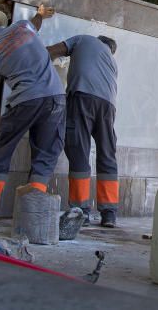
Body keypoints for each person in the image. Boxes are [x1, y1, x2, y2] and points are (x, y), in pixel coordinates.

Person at [0, 4, 65, 223]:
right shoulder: (23, 27)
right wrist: (40, 14)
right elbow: (35, 23)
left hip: (25, 100)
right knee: (45, 154)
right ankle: (31, 211)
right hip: (55, 97)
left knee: (2, 151)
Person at [47, 34, 120, 228]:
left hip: (82, 97)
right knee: (107, 155)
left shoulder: (83, 40)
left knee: (79, 152)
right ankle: (109, 213)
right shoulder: (112, 64)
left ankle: (81, 211)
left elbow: (50, 52)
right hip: (108, 106)